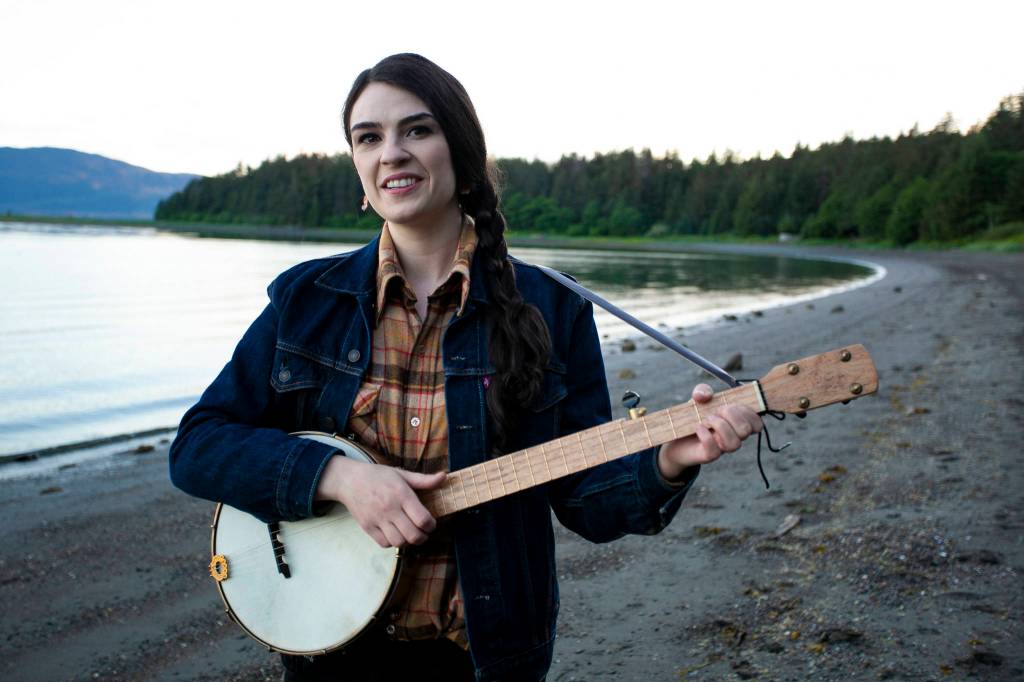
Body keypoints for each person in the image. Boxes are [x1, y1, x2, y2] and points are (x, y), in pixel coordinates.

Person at [169, 53, 762, 682]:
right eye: (368, 137)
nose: (391, 152)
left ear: (462, 151)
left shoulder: (551, 310)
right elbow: (198, 445)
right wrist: (338, 477)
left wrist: (670, 458)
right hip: (330, 654)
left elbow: (587, 503)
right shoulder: (307, 300)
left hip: (482, 659)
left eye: (416, 130)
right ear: (358, 168)